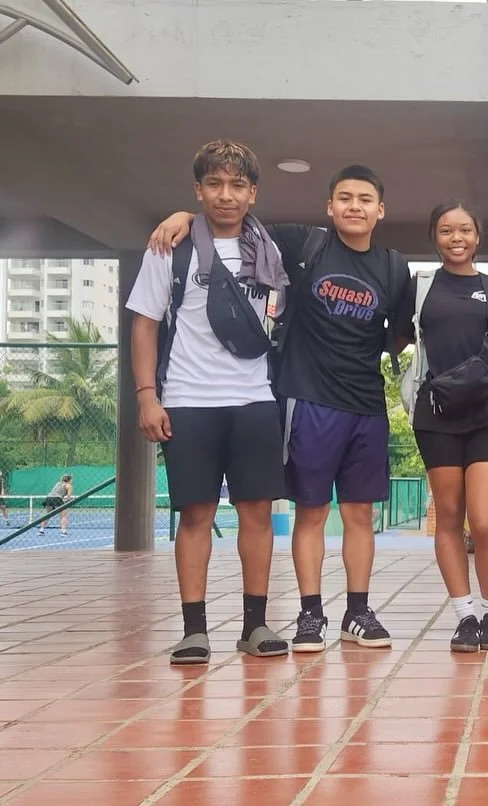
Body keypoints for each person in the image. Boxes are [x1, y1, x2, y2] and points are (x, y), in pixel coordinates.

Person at [148, 165, 411, 654]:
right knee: (310, 512)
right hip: (306, 399)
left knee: (359, 514)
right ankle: (310, 614)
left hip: (367, 406)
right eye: (344, 198)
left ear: (381, 209)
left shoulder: (395, 268)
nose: (355, 206)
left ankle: (358, 611)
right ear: (329, 207)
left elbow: (399, 335)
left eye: (365, 199)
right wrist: (185, 215)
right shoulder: (301, 243)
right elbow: (234, 216)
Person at [128, 139, 291, 665]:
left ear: (253, 193)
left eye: (237, 185)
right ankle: (194, 629)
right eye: (215, 185)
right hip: (188, 400)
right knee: (194, 515)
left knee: (257, 514)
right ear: (198, 190)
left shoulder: (270, 251)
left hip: (254, 399)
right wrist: (147, 398)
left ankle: (255, 624)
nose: (226, 195)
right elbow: (145, 324)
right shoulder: (169, 249)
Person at [394, 201, 488, 653]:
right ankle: (465, 615)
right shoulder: (420, 286)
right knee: (448, 517)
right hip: (437, 414)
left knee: (484, 521)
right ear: (435, 236)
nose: (456, 237)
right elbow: (393, 336)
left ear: (478, 236)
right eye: (446, 230)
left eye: (465, 229)